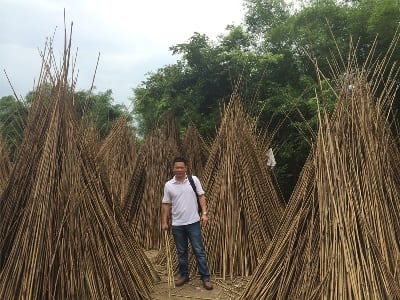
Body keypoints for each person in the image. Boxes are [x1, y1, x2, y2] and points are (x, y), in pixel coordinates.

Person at [161, 156, 213, 290]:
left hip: (193, 222)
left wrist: (205, 214)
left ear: (186, 168)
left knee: (199, 250)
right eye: (176, 167)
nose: (179, 169)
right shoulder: (168, 185)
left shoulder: (193, 180)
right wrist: (164, 222)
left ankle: (205, 277)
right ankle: (184, 275)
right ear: (173, 169)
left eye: (181, 167)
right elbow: (166, 204)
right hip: (177, 224)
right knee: (181, 252)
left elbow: (201, 196)